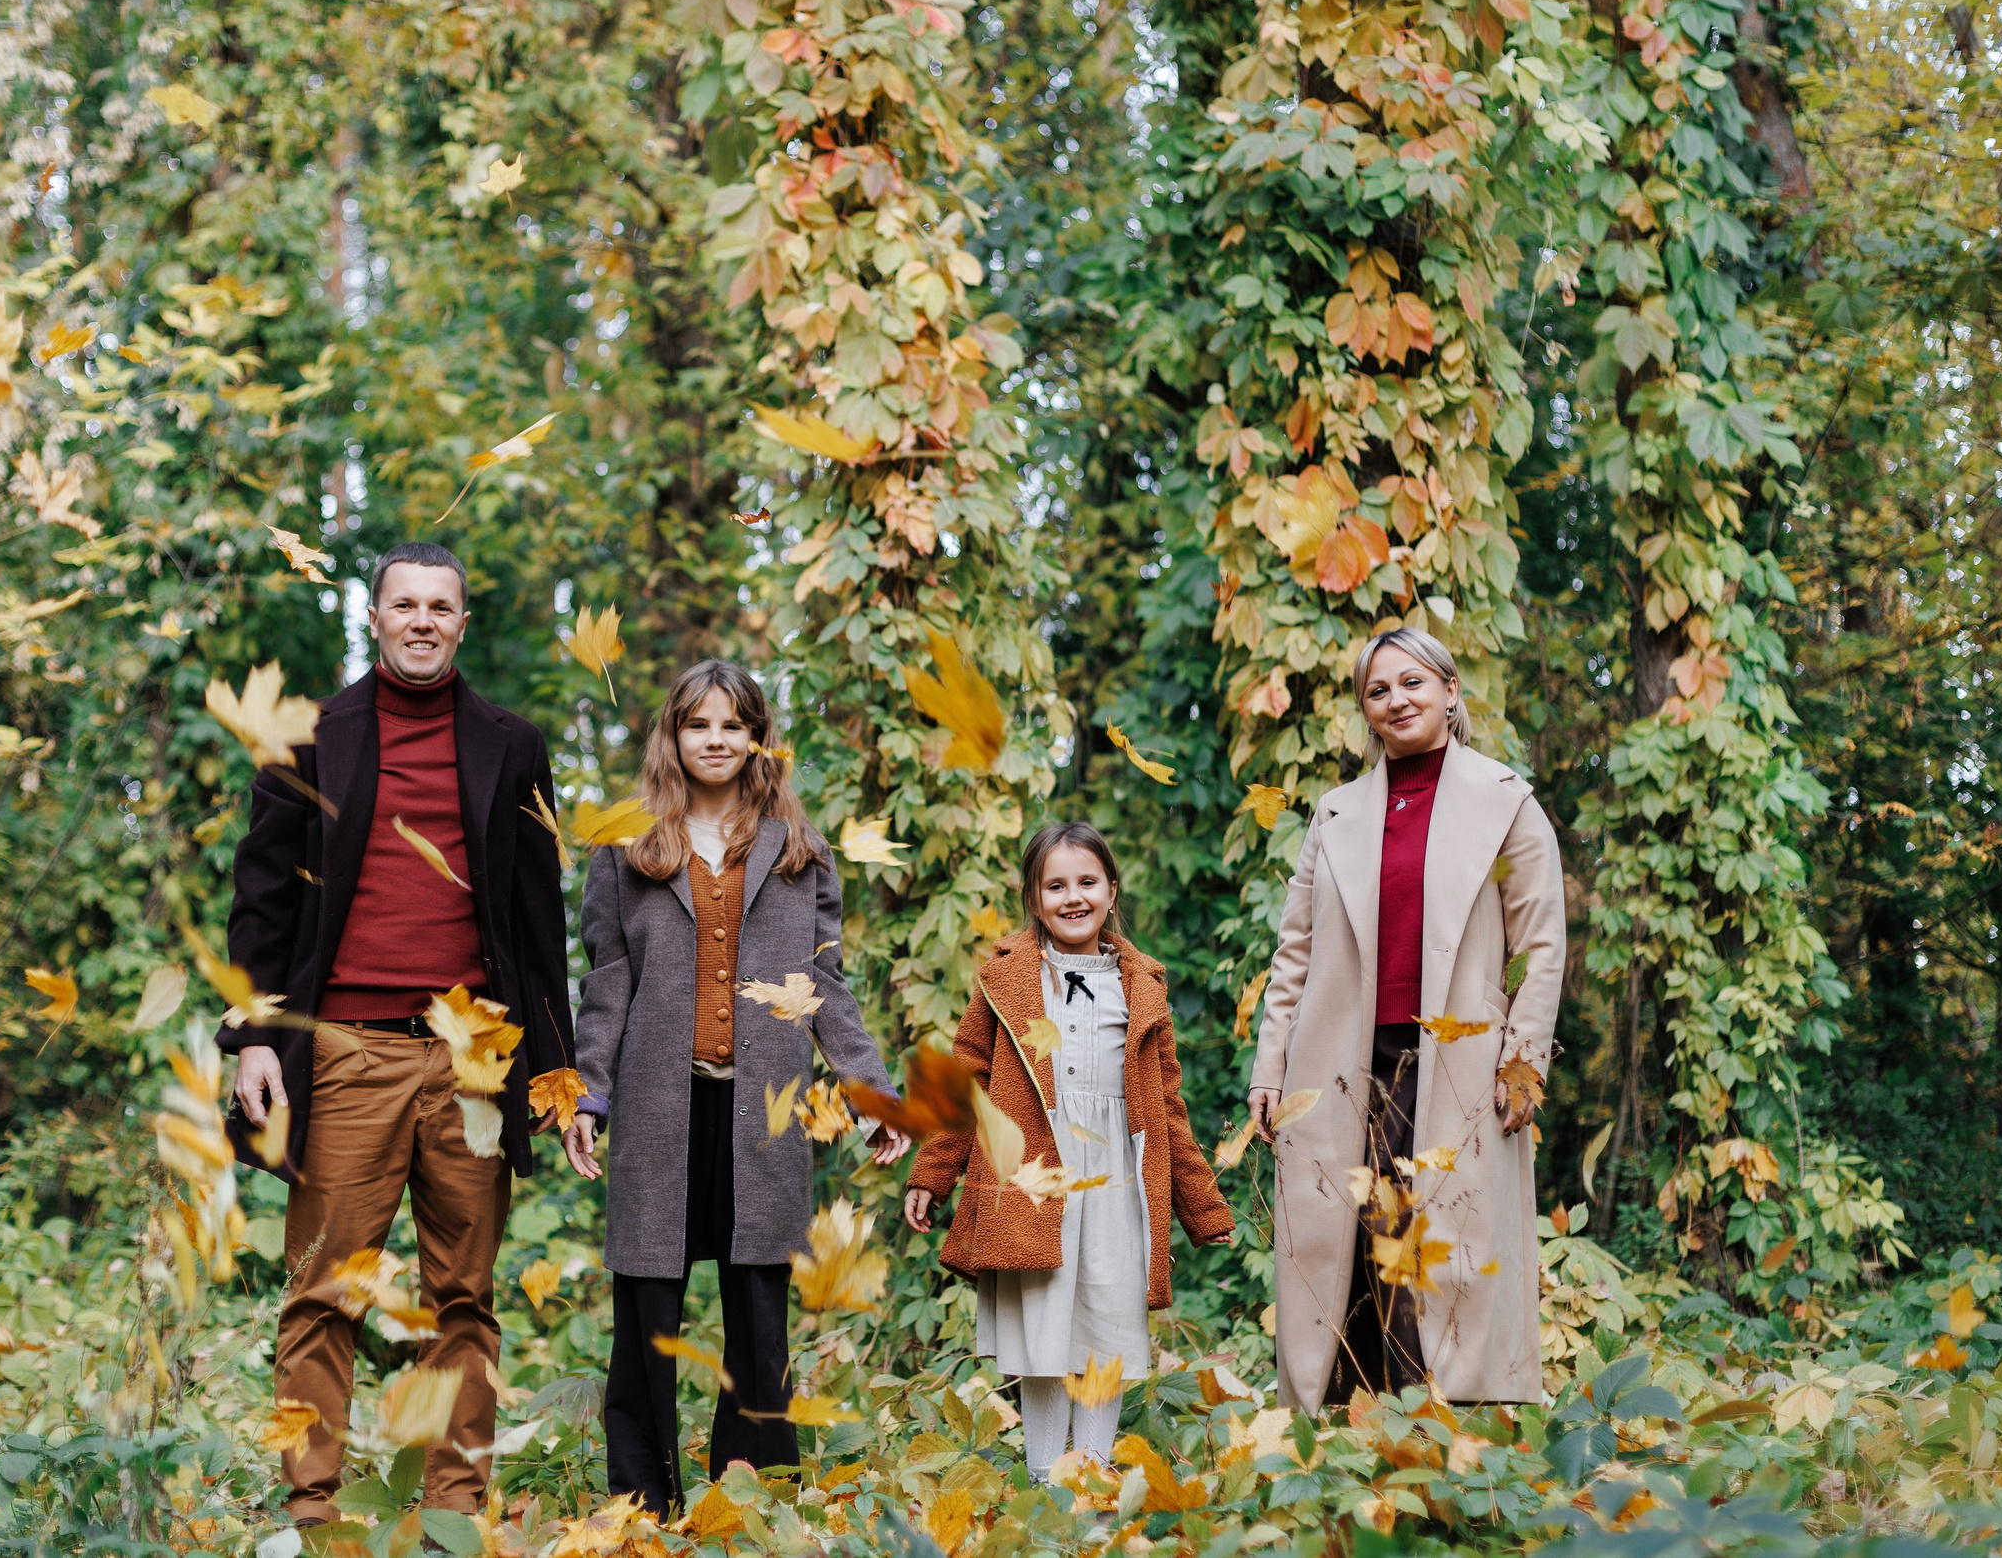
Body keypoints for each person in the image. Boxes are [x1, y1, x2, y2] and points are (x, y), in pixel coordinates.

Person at [220, 540, 574, 1525]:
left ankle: (454, 1518)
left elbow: (538, 925)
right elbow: (259, 901)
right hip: (342, 1052)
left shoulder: (514, 746)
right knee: (322, 1293)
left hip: (472, 1060)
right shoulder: (309, 735)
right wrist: (253, 1038)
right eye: (404, 604)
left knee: (463, 1300)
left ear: (465, 622)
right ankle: (311, 1515)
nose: (422, 620)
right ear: (374, 618)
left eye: (441, 606)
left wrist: (557, 1074)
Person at [564, 660, 911, 1515]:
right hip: (657, 1105)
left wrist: (867, 1089)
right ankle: (641, 1501)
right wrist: (587, 1092)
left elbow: (825, 984)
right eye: (698, 724)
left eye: (732, 724)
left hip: (763, 1109)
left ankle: (751, 1495)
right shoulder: (626, 844)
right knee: (648, 1307)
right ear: (672, 736)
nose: (714, 740)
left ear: (757, 736)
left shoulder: (799, 848)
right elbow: (606, 978)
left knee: (758, 1310)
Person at [1247, 626, 1566, 1409]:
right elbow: (1294, 954)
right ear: (1366, 709)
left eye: (1413, 682)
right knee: (1344, 1238)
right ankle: (1350, 1431)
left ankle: (1449, 1429)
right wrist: (1270, 1069)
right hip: (1338, 1065)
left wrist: (1522, 1062)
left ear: (1450, 691)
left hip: (1458, 1065)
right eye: (1378, 690)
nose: (1397, 700)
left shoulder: (1505, 803)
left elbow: (1541, 944)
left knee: (1443, 1245)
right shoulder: (1335, 814)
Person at [902, 821, 1234, 1478]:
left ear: (1112, 890)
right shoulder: (1007, 978)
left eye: (1087, 881)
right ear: (1033, 897)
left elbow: (1168, 1107)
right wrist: (933, 1171)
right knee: (1046, 1329)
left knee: (1108, 1324)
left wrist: (1203, 1208)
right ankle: (1044, 1479)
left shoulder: (1142, 986)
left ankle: (1094, 1473)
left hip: (1115, 1177)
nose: (1073, 896)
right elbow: (964, 1078)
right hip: (1035, 1178)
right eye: (1056, 884)